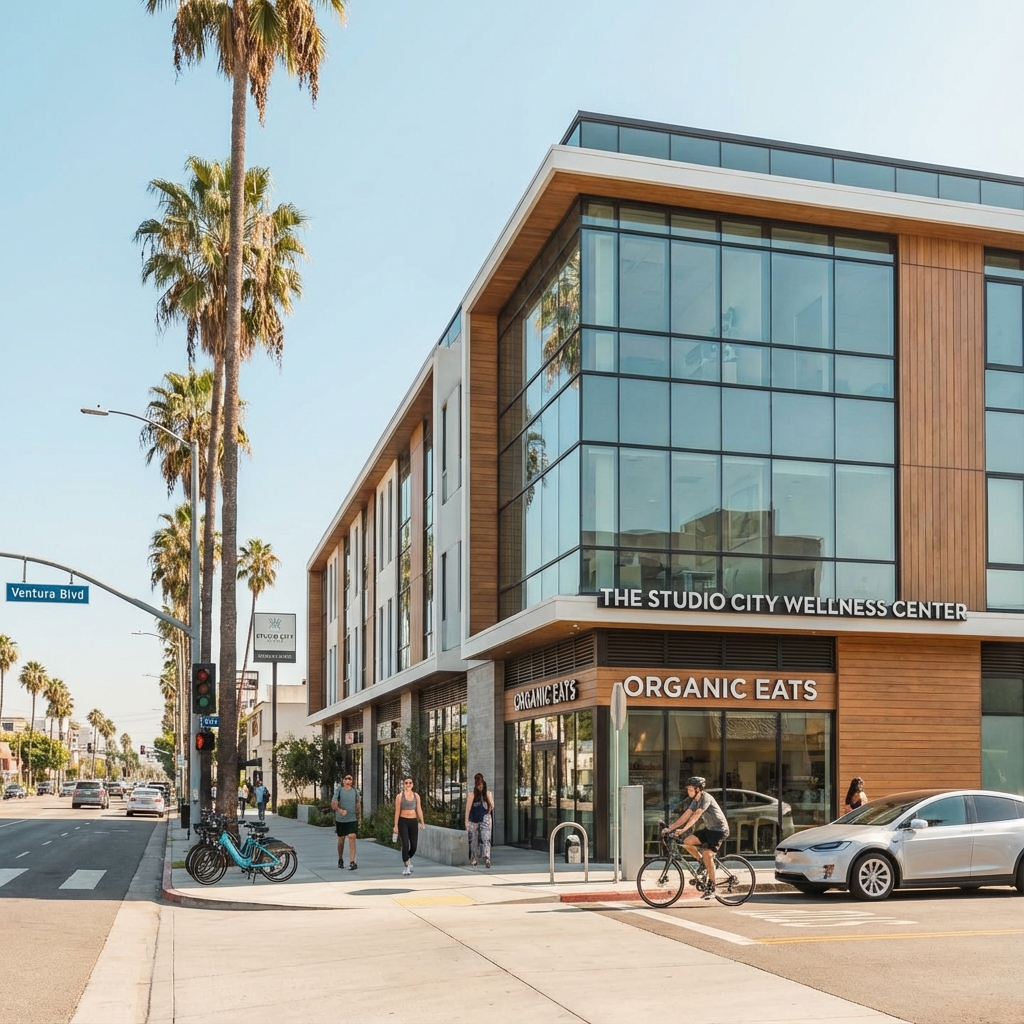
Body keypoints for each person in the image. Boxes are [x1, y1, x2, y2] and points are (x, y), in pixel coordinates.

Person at [664, 777, 730, 899]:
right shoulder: (695, 800)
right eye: (688, 789)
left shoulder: (706, 798)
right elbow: (686, 815)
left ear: (698, 789)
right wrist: (670, 828)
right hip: (710, 829)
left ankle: (712, 886)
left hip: (720, 830)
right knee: (687, 841)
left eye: (690, 789)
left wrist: (683, 830)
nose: (688, 792)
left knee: (708, 854)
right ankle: (702, 862)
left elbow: (696, 816)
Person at [392, 777, 425, 876]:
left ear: (413, 784)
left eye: (410, 782)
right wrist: (396, 826)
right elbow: (397, 811)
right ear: (404, 785)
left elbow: (419, 809)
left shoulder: (416, 796)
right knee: (405, 844)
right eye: (406, 783)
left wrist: (422, 821)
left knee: (414, 846)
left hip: (413, 821)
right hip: (403, 821)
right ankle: (406, 866)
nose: (408, 784)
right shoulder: (400, 796)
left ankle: (408, 859)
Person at [464, 774, 495, 868]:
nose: (480, 787)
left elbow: (492, 806)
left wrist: (488, 797)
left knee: (486, 838)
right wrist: (466, 821)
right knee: (473, 839)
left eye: (481, 785)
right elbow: (468, 809)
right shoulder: (471, 795)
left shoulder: (488, 794)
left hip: (485, 818)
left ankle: (487, 858)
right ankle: (474, 858)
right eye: (478, 785)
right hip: (473, 819)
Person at [331, 774, 361, 870]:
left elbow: (358, 804)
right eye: (346, 778)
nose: (348, 780)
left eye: (350, 779)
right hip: (341, 820)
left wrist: (359, 817)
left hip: (352, 819)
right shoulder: (339, 790)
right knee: (341, 839)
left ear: (352, 781)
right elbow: (333, 803)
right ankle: (340, 858)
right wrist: (340, 810)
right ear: (343, 781)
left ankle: (352, 862)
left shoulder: (355, 791)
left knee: (352, 837)